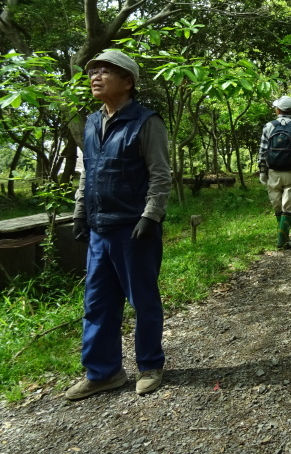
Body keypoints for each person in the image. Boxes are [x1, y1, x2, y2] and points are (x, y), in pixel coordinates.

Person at [68, 49, 171, 400]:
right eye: (93, 70)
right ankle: (103, 372)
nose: (95, 75)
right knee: (97, 303)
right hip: (100, 228)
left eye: (105, 71)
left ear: (128, 82)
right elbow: (88, 174)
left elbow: (160, 176)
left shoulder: (146, 122)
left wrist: (150, 215)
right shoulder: (92, 122)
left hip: (134, 229)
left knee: (143, 300)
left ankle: (150, 365)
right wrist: (80, 212)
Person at [258, 96, 291, 249]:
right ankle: (283, 240)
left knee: (277, 205)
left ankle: (283, 239)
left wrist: (262, 171)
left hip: (273, 172)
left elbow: (262, 151)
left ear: (278, 110)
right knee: (287, 207)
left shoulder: (268, 126)